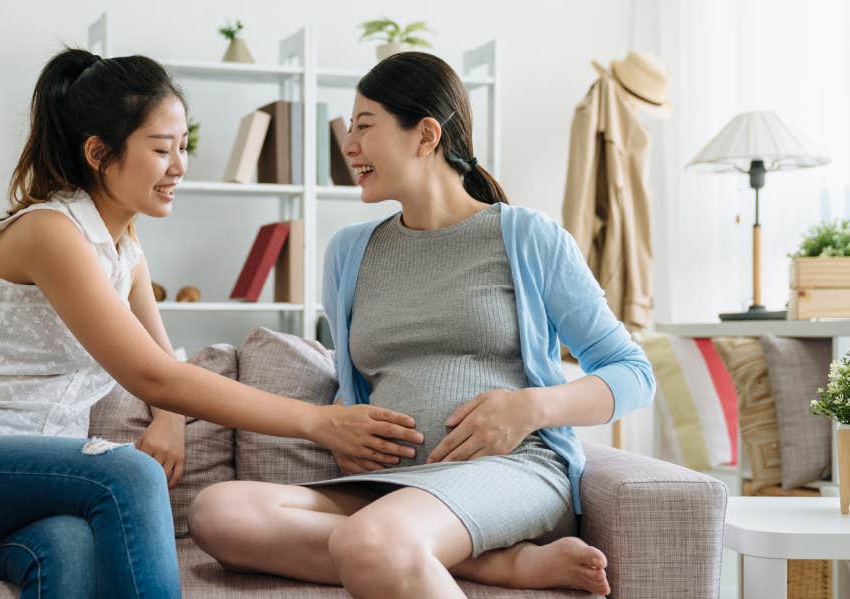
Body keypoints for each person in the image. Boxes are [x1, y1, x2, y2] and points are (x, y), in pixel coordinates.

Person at [0, 48, 423, 599]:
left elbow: (163, 362)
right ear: (100, 153)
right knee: (128, 473)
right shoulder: (51, 233)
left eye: (183, 146)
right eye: (161, 149)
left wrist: (171, 423)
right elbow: (154, 378)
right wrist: (320, 423)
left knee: (68, 548)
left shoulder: (123, 248)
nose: (180, 166)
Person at [187, 52, 656, 599]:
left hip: (510, 472)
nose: (349, 145)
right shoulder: (349, 252)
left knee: (373, 541)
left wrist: (531, 407)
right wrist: (346, 430)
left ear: (426, 134)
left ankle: (438, 546)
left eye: (364, 126)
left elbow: (633, 372)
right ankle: (493, 565)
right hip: (387, 489)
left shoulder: (526, 236)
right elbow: (352, 378)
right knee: (218, 512)